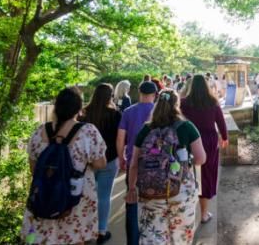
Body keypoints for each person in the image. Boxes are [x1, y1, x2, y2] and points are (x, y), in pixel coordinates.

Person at [22, 87, 107, 245]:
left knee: (46, 239)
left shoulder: (40, 131)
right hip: (76, 199)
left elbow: (34, 170)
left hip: (45, 199)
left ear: (56, 107)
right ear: (79, 109)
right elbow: (100, 163)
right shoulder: (88, 132)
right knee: (75, 239)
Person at [127, 89, 206, 244]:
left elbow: (134, 164)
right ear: (177, 104)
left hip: (150, 192)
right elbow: (201, 159)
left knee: (153, 236)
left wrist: (131, 188)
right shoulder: (187, 127)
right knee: (181, 237)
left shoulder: (145, 130)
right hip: (180, 191)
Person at [180, 75, 228, 224]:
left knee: (188, 175)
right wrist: (224, 138)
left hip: (189, 142)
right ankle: (204, 213)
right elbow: (221, 122)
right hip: (208, 142)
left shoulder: (184, 103)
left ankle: (187, 213)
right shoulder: (213, 102)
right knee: (206, 176)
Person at [117, 81, 158, 245]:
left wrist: (121, 158)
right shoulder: (159, 112)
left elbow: (121, 137)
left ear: (139, 92)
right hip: (154, 164)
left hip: (132, 163)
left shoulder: (128, 111)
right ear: (155, 94)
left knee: (132, 201)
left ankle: (132, 241)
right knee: (153, 202)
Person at [80, 83, 122, 244]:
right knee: (104, 196)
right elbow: (119, 139)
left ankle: (85, 229)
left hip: (87, 162)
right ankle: (101, 230)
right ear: (110, 96)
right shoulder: (115, 115)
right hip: (109, 160)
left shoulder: (84, 114)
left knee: (86, 197)